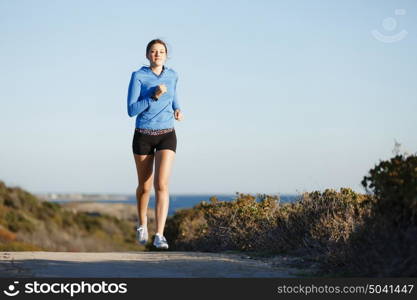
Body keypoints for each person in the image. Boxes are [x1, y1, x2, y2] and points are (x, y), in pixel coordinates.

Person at [127, 38, 184, 249]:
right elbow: (131, 110)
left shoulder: (173, 75)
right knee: (145, 187)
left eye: (161, 51)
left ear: (166, 55)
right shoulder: (138, 76)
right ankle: (142, 224)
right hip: (143, 135)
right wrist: (153, 96)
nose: (157, 54)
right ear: (147, 55)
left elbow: (174, 96)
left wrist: (178, 109)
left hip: (167, 134)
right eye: (153, 51)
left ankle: (160, 234)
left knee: (162, 184)